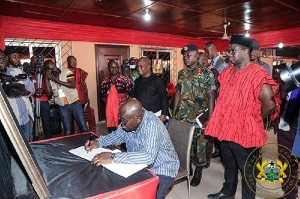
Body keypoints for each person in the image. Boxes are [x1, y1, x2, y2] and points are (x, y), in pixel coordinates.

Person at [205, 35, 278, 199]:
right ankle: (228, 191)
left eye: (233, 50)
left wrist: (253, 118)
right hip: (225, 128)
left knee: (247, 169)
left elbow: (270, 103)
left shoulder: (257, 73)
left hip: (244, 131)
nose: (229, 53)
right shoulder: (228, 71)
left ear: (246, 51)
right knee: (228, 163)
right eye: (229, 50)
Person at [85, 98, 179, 199]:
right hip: (142, 165)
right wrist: (99, 142)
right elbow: (117, 135)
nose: (122, 124)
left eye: (124, 122)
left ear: (138, 118)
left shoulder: (152, 125)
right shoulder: (129, 120)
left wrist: (112, 157)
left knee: (149, 195)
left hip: (162, 168)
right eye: (121, 120)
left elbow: (148, 156)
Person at [172, 44, 216, 187]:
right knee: (186, 144)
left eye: (189, 54)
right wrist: (174, 114)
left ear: (197, 55)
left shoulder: (206, 74)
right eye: (184, 55)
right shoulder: (181, 73)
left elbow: (211, 96)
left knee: (200, 146)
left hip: (199, 117)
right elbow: (178, 94)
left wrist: (210, 117)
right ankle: (188, 167)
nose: (186, 57)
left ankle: (199, 170)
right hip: (184, 117)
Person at [44, 60, 88, 135]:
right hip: (62, 106)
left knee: (83, 126)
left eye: (53, 66)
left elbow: (72, 84)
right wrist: (46, 79)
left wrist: (57, 80)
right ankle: (71, 146)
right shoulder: (49, 78)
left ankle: (89, 143)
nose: (53, 69)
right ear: (47, 70)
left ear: (55, 65)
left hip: (74, 103)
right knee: (67, 130)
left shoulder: (66, 71)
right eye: (50, 69)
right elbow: (49, 94)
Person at [0, 49, 35, 141]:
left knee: (27, 148)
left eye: (3, 58)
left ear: (6, 59)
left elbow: (31, 89)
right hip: (8, 122)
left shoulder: (18, 72)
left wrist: (17, 91)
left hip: (24, 118)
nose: (1, 61)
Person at [204, 41, 228, 159]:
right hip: (213, 97)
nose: (207, 54)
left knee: (220, 125)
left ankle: (222, 151)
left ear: (213, 49)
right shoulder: (209, 65)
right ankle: (218, 149)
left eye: (207, 51)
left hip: (220, 97)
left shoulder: (223, 64)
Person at [100, 60, 133, 132]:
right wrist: (111, 103)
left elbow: (132, 94)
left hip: (123, 111)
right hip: (110, 111)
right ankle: (113, 143)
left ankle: (123, 143)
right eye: (112, 67)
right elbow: (102, 96)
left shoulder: (125, 80)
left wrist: (124, 104)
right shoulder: (104, 82)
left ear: (118, 68)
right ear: (108, 68)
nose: (114, 69)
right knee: (112, 131)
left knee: (123, 131)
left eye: (116, 67)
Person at [134, 57, 168, 123]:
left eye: (141, 66)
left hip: (155, 114)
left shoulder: (157, 80)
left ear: (148, 66)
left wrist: (164, 113)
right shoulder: (137, 81)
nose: (139, 69)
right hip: (141, 115)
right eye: (137, 66)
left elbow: (163, 97)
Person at [67, 55, 96, 133]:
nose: (74, 63)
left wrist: (87, 97)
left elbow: (84, 85)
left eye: (75, 61)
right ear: (68, 62)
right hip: (69, 100)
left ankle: (82, 135)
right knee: (70, 121)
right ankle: (72, 135)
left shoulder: (80, 72)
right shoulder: (65, 72)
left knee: (81, 119)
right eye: (71, 61)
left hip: (80, 99)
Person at [30, 56, 52, 140]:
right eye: (35, 60)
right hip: (34, 101)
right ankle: (35, 140)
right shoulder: (30, 73)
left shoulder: (44, 73)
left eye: (39, 60)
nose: (37, 62)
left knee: (46, 122)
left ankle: (49, 139)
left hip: (44, 101)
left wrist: (42, 90)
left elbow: (49, 90)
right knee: (34, 122)